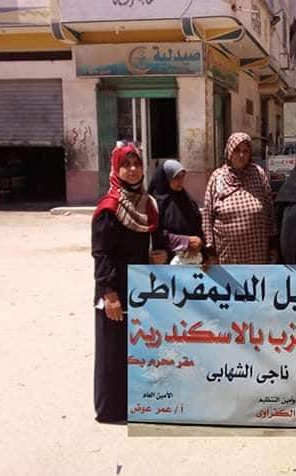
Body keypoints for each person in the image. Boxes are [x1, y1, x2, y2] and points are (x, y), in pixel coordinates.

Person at [91, 143, 190, 423]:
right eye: (126, 165)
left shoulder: (148, 204)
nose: (133, 170)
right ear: (116, 169)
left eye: (137, 164)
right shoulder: (109, 207)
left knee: (140, 349)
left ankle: (139, 404)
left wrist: (161, 255)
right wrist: (109, 294)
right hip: (117, 290)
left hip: (143, 287)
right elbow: (101, 254)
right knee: (113, 352)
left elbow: (157, 240)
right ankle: (111, 410)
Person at [202, 132, 276, 264]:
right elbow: (207, 215)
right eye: (237, 150)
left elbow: (270, 209)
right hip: (227, 255)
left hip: (257, 253)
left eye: (245, 151)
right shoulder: (218, 177)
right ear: (229, 152)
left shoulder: (258, 174)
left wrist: (273, 244)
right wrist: (210, 248)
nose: (241, 155)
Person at [148, 159, 203, 264]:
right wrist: (185, 241)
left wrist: (199, 244)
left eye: (182, 177)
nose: (180, 181)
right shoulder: (154, 203)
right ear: (165, 178)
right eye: (176, 177)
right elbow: (156, 234)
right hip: (164, 261)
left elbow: (197, 225)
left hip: (190, 260)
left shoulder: (187, 200)